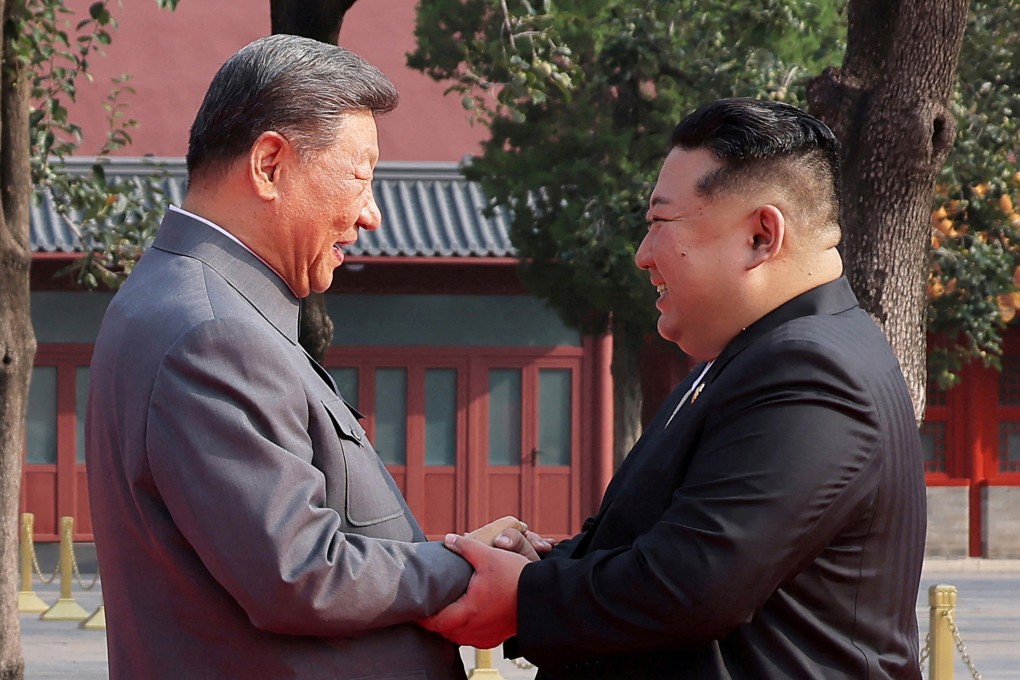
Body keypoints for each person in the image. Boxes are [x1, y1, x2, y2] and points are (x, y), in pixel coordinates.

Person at [420, 98, 928, 679]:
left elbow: (696, 582)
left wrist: (526, 594)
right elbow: (670, 545)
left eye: (660, 224)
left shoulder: (810, 369)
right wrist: (546, 562)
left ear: (762, 235)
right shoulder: (757, 353)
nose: (643, 257)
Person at [86, 34, 538, 680]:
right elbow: (299, 568)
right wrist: (463, 568)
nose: (372, 214)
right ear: (270, 165)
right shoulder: (213, 334)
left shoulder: (190, 304)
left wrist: (453, 554)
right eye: (361, 179)